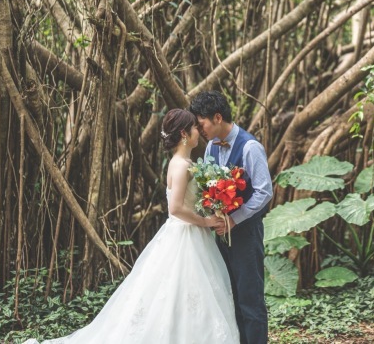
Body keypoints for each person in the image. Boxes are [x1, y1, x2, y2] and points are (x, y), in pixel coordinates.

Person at [23, 109, 239, 343]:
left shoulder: (186, 163)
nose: (199, 131)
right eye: (195, 127)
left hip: (189, 234)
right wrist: (206, 221)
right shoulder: (180, 165)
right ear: (184, 133)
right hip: (185, 235)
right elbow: (175, 208)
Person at [189, 91, 273, 344]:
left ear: (217, 117)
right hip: (220, 235)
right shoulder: (210, 149)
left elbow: (264, 191)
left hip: (245, 234)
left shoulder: (250, 147)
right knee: (229, 296)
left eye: (201, 122)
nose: (199, 128)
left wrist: (235, 219)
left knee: (250, 298)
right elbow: (208, 187)